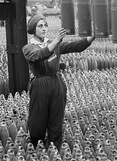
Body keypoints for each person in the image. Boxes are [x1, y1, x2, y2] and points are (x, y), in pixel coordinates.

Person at [22, 15, 96, 151]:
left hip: (56, 83)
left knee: (56, 119)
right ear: (33, 29)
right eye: (40, 26)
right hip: (40, 85)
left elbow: (74, 46)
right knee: (38, 120)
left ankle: (55, 149)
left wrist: (91, 38)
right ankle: (35, 149)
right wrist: (56, 41)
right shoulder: (28, 48)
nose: (44, 28)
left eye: (45, 25)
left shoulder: (54, 44)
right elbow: (40, 55)